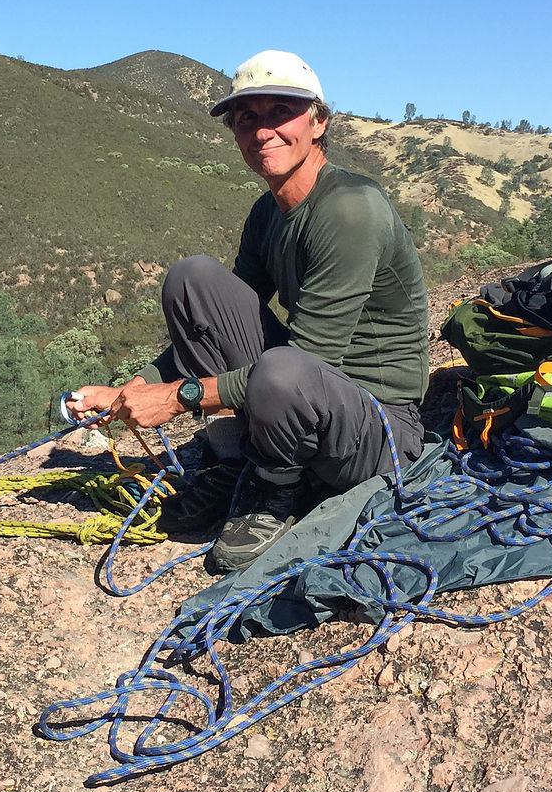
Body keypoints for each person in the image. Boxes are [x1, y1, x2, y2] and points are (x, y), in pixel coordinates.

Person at [68, 50, 429, 574]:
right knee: (193, 280)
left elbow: (309, 357)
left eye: (280, 112)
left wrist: (180, 398)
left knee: (284, 367)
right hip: (310, 394)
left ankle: (274, 489)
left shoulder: (350, 209)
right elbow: (212, 324)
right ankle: (234, 460)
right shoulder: (268, 212)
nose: (263, 132)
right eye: (247, 118)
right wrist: (133, 387)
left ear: (318, 121)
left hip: (378, 424)